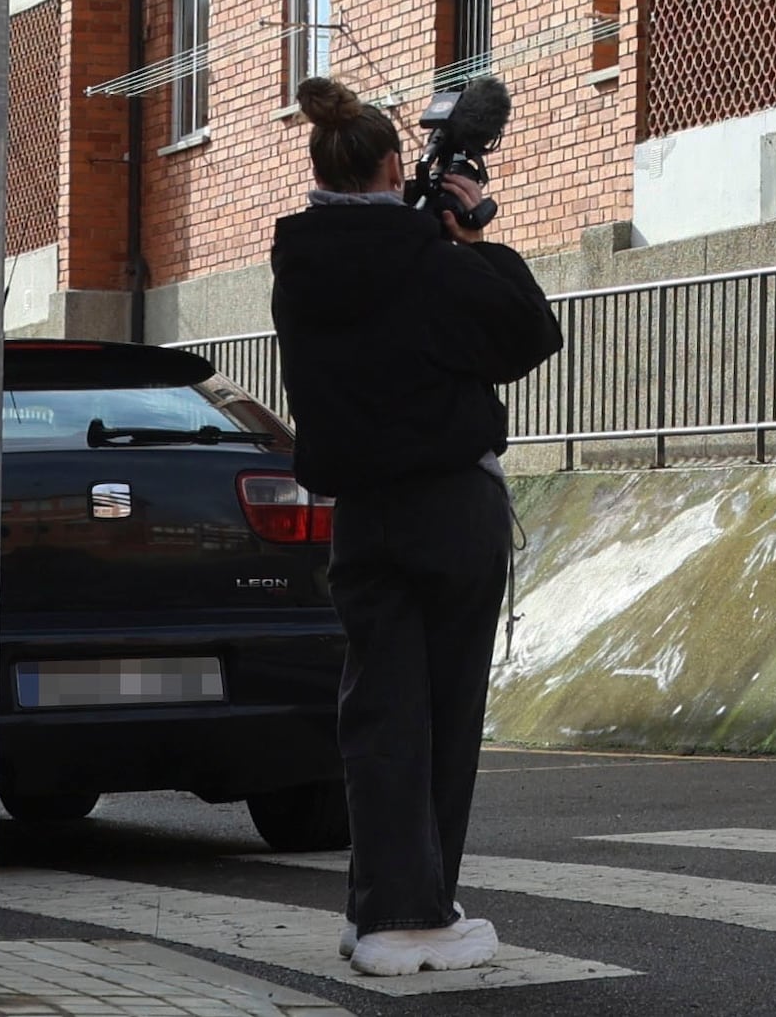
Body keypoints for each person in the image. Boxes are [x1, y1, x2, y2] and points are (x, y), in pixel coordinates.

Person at [269, 75, 564, 979]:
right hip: (449, 507)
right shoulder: (432, 257)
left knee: (379, 710)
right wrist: (471, 233)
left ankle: (379, 906)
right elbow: (528, 332)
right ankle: (416, 916)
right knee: (440, 712)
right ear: (395, 166)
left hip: (360, 516)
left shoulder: (300, 266)